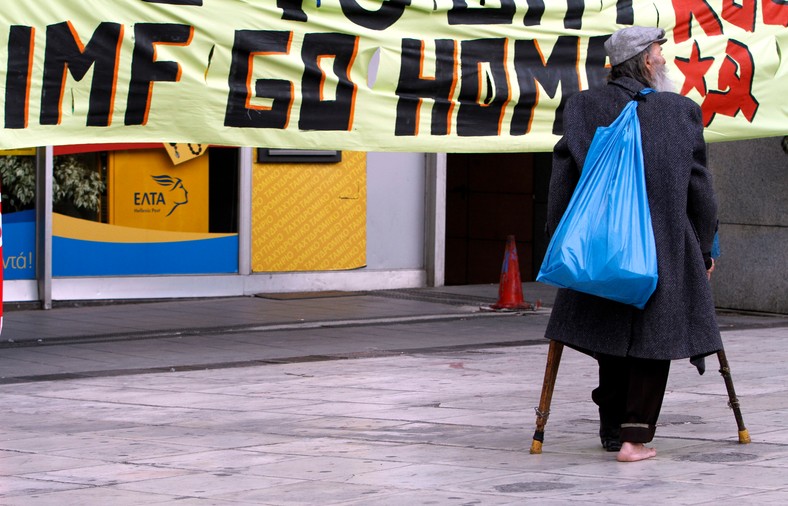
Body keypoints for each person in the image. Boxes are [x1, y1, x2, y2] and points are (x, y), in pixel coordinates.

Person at [544, 26, 722, 462]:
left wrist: (561, 239)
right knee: (651, 337)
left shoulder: (583, 107)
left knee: (609, 324)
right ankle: (634, 437)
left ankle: (611, 428)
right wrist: (704, 247)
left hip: (599, 241)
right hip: (664, 242)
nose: (664, 59)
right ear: (646, 61)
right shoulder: (680, 112)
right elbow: (699, 187)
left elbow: (562, 179)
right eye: (660, 52)